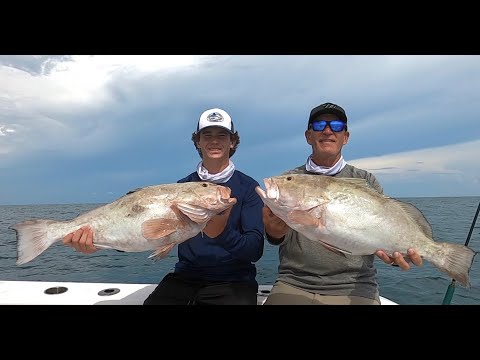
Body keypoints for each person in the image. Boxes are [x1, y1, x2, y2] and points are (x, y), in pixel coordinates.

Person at [63, 107, 265, 305]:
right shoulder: (179, 187)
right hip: (186, 276)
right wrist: (96, 243)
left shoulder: (248, 188)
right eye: (207, 135)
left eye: (222, 135)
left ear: (232, 142)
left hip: (235, 280)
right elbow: (143, 231)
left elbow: (254, 250)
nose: (214, 140)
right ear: (198, 142)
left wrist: (221, 232)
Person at [262, 102, 423, 305]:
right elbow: (278, 237)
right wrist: (273, 232)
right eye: (319, 125)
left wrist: (399, 257)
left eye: (337, 126)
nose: (328, 131)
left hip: (355, 286)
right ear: (308, 136)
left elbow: (382, 232)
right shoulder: (290, 178)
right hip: (294, 282)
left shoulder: (365, 180)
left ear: (345, 137)